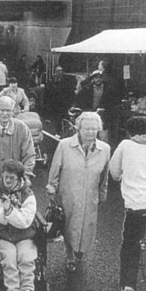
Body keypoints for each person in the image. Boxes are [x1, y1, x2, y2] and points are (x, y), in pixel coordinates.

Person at [46, 111, 110, 272]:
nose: (90, 132)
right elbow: (55, 168)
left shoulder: (105, 149)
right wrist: (52, 187)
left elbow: (105, 174)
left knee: (87, 225)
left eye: (94, 129)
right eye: (86, 128)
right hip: (69, 192)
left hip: (91, 194)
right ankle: (69, 254)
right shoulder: (65, 145)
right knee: (69, 224)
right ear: (78, 128)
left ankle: (80, 250)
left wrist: (102, 193)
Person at [109, 117, 146, 291]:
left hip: (136, 205)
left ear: (129, 132)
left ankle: (128, 287)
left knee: (130, 244)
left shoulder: (125, 145)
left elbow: (114, 172)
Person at [0, 159, 38, 291]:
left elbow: (25, 222)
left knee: (26, 256)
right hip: (1, 236)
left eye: (11, 178)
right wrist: (14, 213)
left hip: (24, 235)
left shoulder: (28, 195)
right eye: (5, 176)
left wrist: (9, 210)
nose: (7, 181)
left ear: (20, 178)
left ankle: (26, 290)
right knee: (9, 257)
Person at [76, 69, 117, 142]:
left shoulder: (108, 89)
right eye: (96, 78)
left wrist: (105, 109)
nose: (98, 79)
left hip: (103, 115)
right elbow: (80, 101)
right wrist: (87, 110)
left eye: (100, 77)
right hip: (90, 115)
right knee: (90, 134)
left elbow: (112, 102)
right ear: (93, 79)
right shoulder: (87, 89)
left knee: (103, 136)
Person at [44, 66, 75, 133]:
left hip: (64, 106)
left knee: (65, 122)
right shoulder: (50, 83)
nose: (59, 73)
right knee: (55, 123)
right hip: (54, 106)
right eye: (57, 71)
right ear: (55, 72)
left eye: (60, 71)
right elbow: (47, 95)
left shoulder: (66, 83)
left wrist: (70, 104)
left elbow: (70, 94)